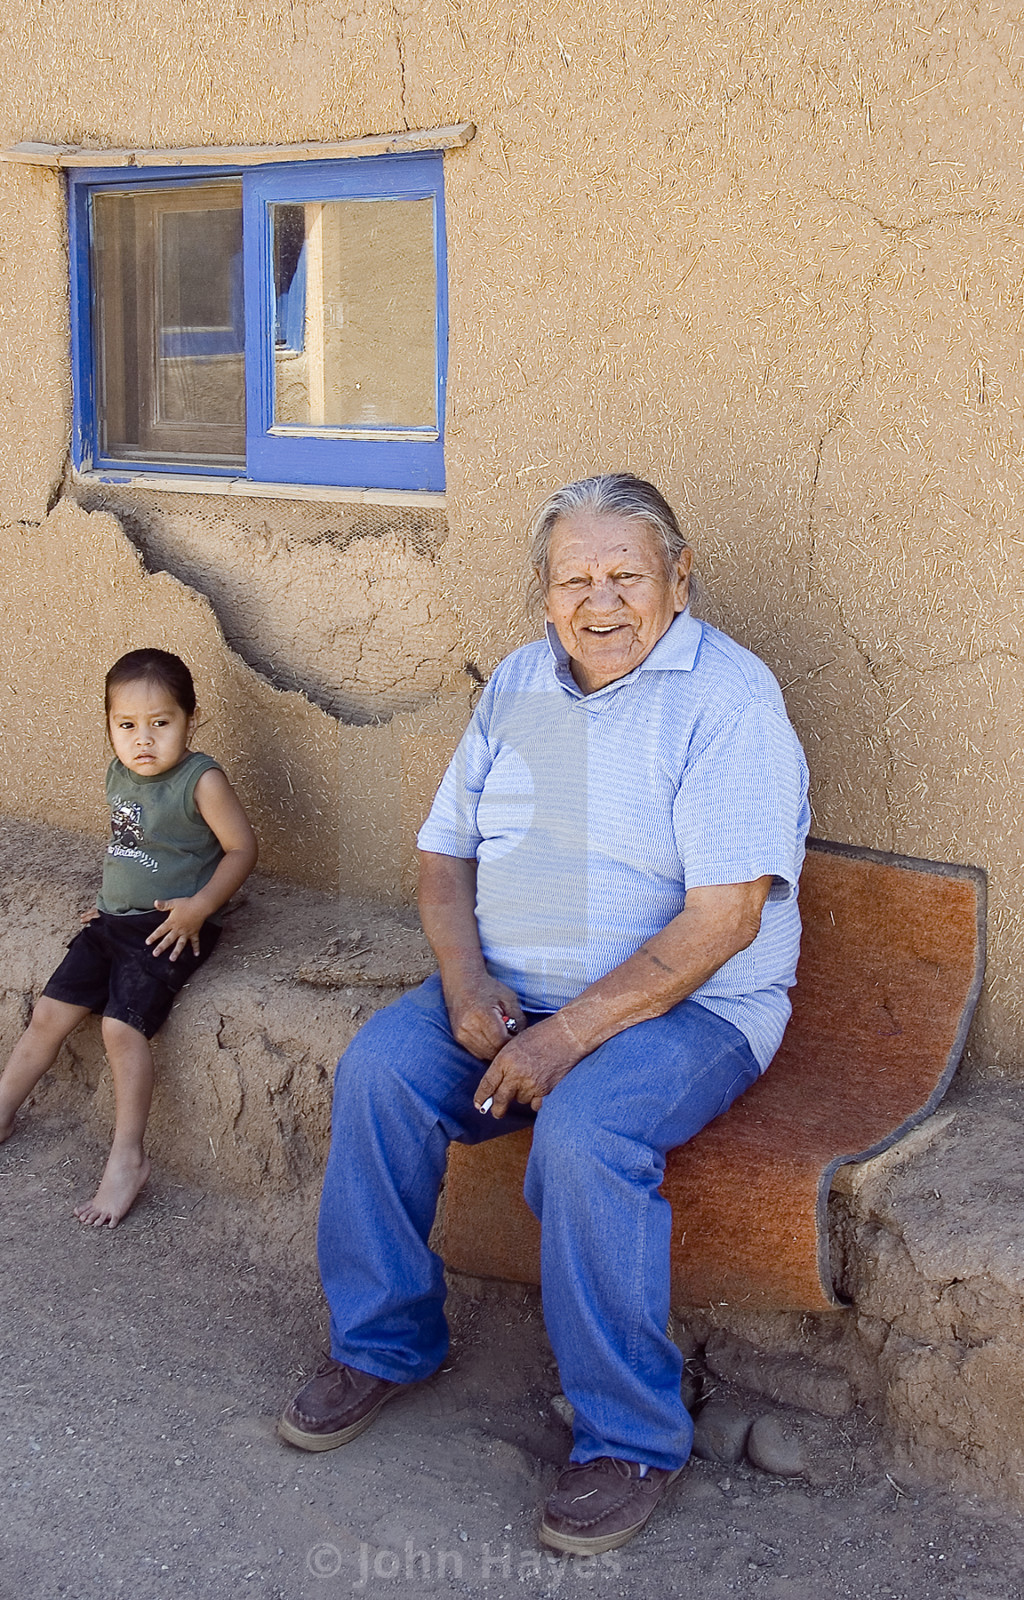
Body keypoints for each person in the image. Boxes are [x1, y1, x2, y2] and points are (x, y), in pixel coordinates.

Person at [279, 473, 809, 1555]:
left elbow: (723, 922)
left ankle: (629, 1436)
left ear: (679, 576)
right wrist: (467, 983)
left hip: (691, 1010)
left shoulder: (729, 699)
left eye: (626, 574)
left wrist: (565, 1038)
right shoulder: (518, 681)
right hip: (514, 992)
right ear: (542, 592)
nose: (601, 600)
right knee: (382, 1067)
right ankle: (383, 1342)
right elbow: (441, 859)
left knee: (583, 1131)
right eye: (577, 578)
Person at [0, 648, 258, 1228]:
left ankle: (128, 1157)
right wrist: (111, 902)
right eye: (126, 725)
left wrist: (201, 907)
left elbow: (242, 849)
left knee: (119, 1025)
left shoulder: (201, 779)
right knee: (48, 1015)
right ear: (109, 725)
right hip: (113, 921)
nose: (143, 739)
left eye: (161, 723)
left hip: (170, 925)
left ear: (191, 720)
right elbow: (133, 846)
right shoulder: (119, 774)